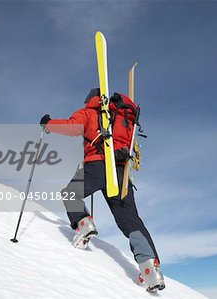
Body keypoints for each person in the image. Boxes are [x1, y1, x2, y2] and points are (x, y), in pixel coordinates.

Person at [40, 88, 165, 292]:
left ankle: (84, 224)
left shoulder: (90, 111)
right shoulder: (123, 116)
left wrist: (48, 124)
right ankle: (151, 269)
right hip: (121, 172)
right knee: (131, 221)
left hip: (98, 165)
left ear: (91, 99)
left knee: (70, 193)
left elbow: (72, 127)